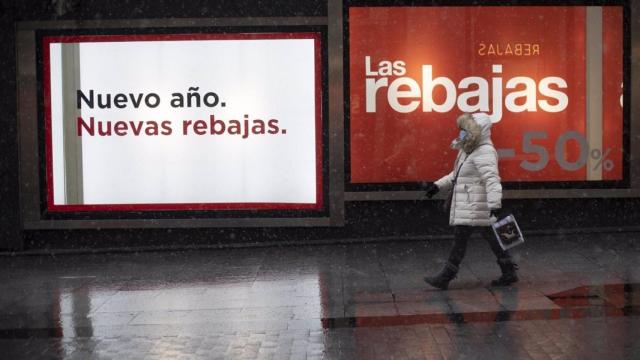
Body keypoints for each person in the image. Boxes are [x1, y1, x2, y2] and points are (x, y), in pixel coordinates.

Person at [423, 113, 518, 290]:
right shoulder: (468, 150)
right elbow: (458, 175)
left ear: (476, 131)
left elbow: (491, 179)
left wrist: (495, 205)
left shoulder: (485, 151)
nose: (461, 133)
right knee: (493, 238)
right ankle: (509, 271)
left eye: (465, 130)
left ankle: (446, 276)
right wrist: (437, 186)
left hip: (476, 204)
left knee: (462, 240)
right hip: (473, 203)